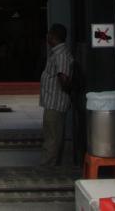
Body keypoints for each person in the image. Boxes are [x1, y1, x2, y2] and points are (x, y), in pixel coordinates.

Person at [39, 23, 73, 167]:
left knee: (52, 138)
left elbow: (63, 78)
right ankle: (52, 165)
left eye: (49, 34)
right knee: (53, 136)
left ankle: (48, 167)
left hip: (55, 103)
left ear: (53, 36)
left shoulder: (60, 55)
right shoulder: (57, 53)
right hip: (52, 102)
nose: (47, 37)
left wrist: (67, 90)